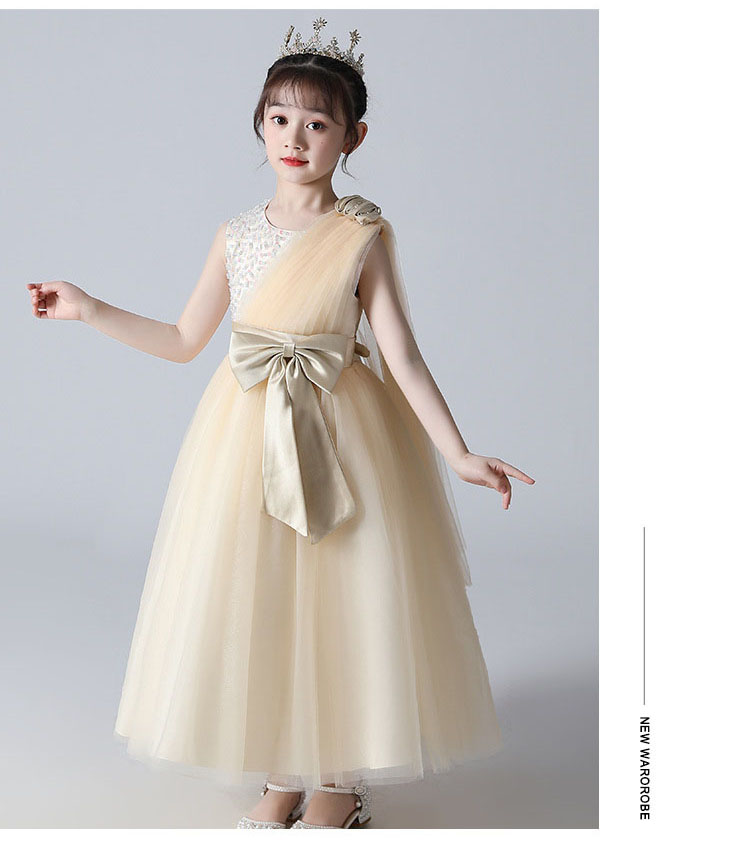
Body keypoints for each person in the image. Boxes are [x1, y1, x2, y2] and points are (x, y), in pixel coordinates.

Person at [26, 18, 534, 830]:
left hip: (343, 431)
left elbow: (401, 354)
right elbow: (184, 340)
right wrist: (89, 309)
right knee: (258, 594)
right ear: (259, 124)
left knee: (345, 593)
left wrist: (460, 452)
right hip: (246, 432)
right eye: (279, 118)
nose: (294, 138)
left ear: (352, 137)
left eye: (317, 123)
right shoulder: (235, 235)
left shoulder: (362, 234)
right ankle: (282, 770)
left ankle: (338, 775)